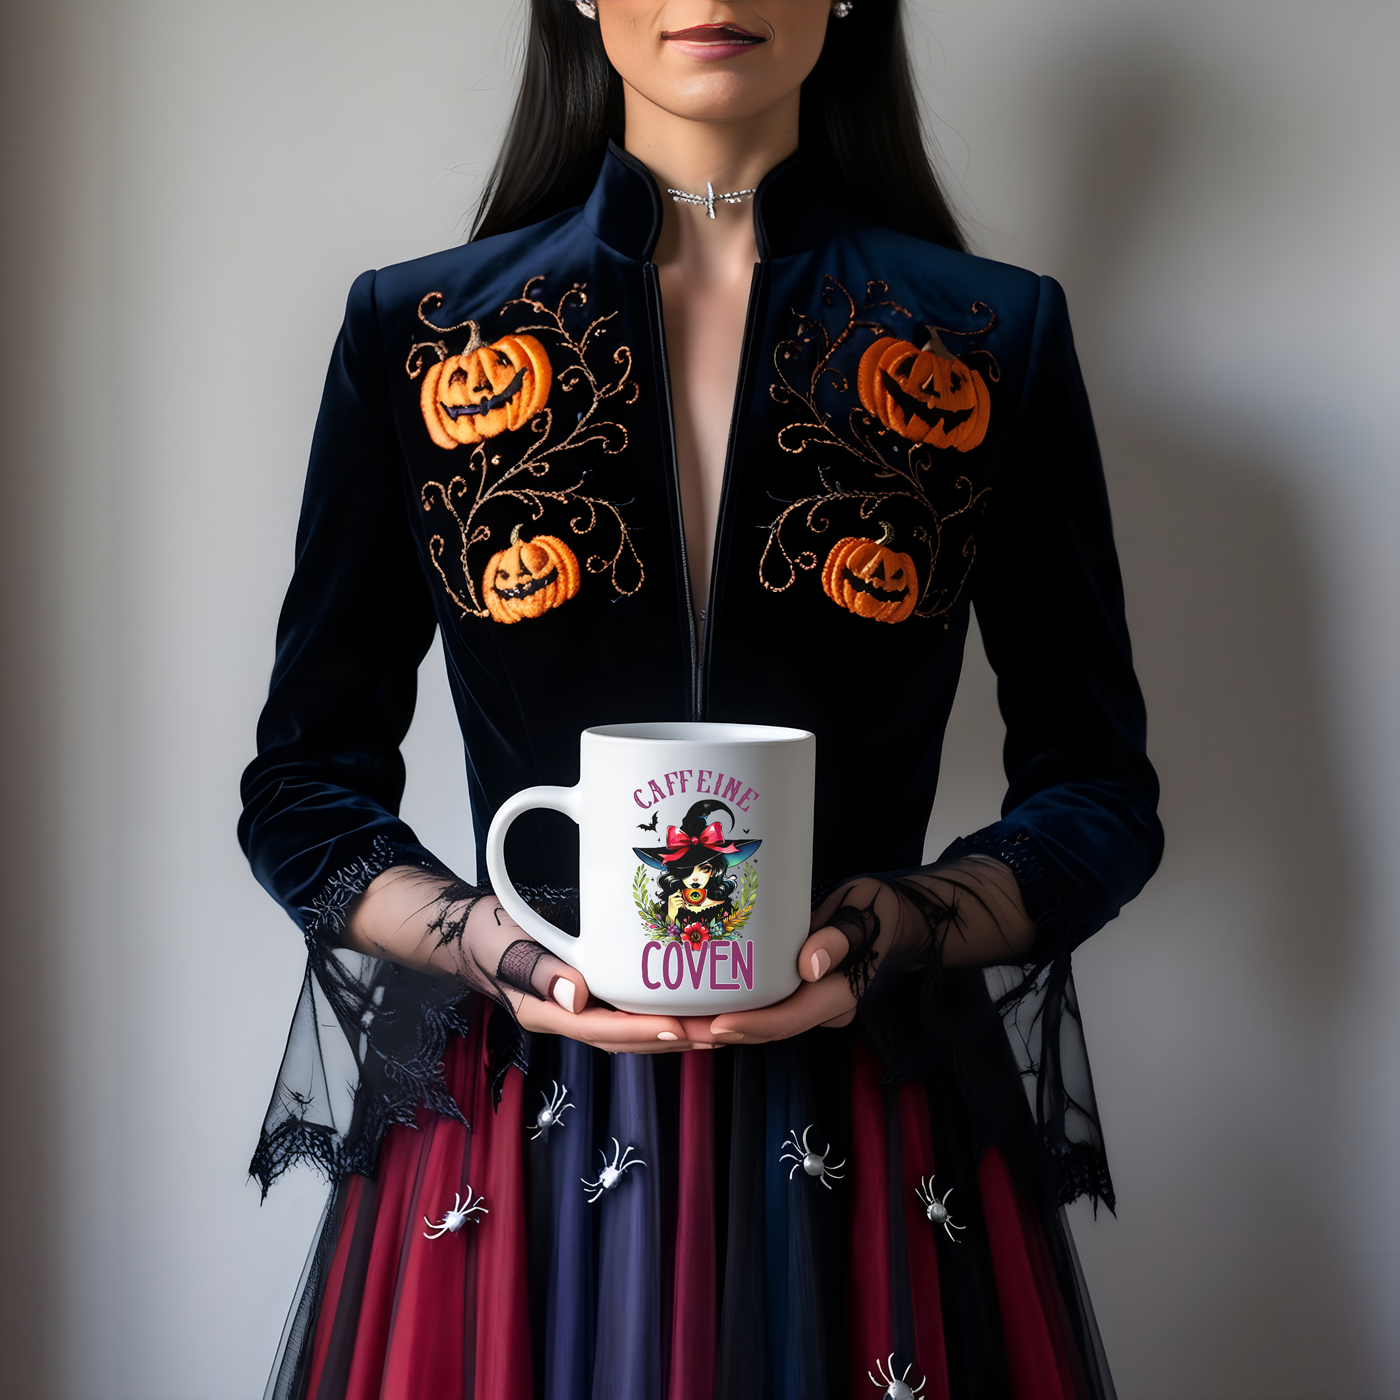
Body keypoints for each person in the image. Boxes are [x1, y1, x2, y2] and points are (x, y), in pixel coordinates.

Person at [239, 3, 1163, 1397]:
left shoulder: (983, 338)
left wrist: (885, 925)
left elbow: (1096, 790)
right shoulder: (422, 336)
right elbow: (304, 793)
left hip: (866, 1118)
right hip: (521, 1129)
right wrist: (503, 947)